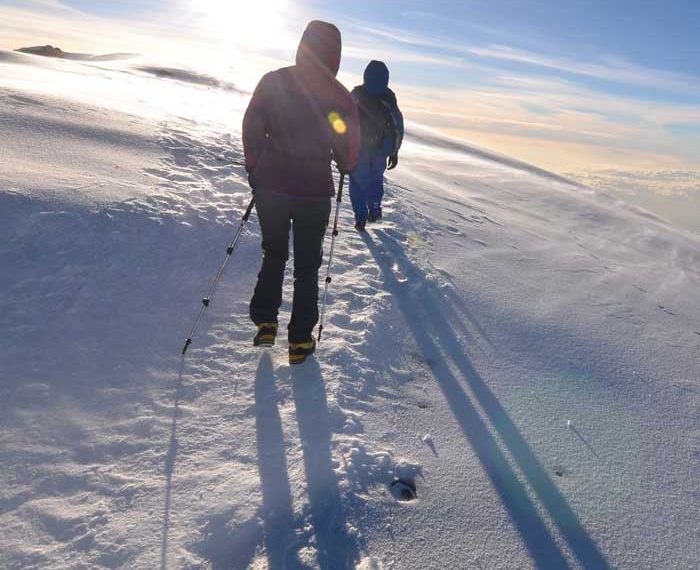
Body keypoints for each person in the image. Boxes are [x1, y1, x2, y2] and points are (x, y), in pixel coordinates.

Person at [242, 20, 360, 365]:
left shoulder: (274, 81)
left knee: (273, 252)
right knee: (308, 266)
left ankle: (265, 321)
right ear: (336, 54)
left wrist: (255, 166)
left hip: (272, 187)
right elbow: (348, 146)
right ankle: (300, 340)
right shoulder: (338, 95)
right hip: (313, 192)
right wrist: (345, 163)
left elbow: (253, 124)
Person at [349, 60, 404, 231]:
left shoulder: (356, 94)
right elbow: (397, 127)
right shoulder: (389, 98)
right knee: (375, 181)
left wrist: (342, 147)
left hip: (358, 148)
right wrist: (394, 152)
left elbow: (343, 120)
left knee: (358, 183)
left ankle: (360, 218)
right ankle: (374, 210)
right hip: (381, 149)